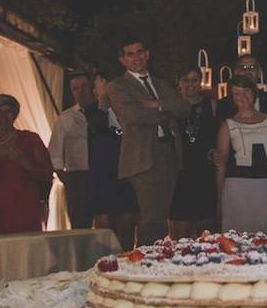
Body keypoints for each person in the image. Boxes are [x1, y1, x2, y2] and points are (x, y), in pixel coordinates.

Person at [107, 38, 190, 245]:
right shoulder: (118, 86)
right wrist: (166, 113)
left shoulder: (161, 84)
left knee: (161, 216)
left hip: (168, 154)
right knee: (151, 219)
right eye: (130, 54)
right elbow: (133, 116)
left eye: (140, 52)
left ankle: (157, 260)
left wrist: (157, 104)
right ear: (122, 60)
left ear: (147, 54)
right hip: (143, 158)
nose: (137, 57)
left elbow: (184, 108)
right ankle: (145, 264)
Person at [214, 75, 267, 233]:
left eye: (247, 91)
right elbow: (221, 164)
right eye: (237, 93)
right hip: (238, 190)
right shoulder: (228, 125)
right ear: (232, 98)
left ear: (254, 93)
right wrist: (220, 197)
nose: (243, 97)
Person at [0, 95, 54, 236]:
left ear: (15, 114)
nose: (3, 116)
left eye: (8, 111)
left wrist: (27, 164)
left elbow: (47, 174)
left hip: (23, 209)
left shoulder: (30, 140)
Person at [86, 75, 138, 251]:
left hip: (125, 174)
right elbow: (98, 127)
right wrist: (102, 101)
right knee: (104, 235)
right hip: (102, 177)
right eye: (100, 88)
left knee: (126, 231)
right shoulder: (92, 110)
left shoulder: (128, 109)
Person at [169, 67, 218, 239]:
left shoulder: (211, 105)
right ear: (179, 83)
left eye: (195, 79)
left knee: (206, 232)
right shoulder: (171, 107)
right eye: (186, 80)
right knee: (179, 232)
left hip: (204, 171)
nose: (190, 84)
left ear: (201, 82)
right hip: (179, 172)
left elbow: (217, 137)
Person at [47, 73, 97, 229]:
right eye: (76, 89)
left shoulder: (107, 113)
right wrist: (65, 178)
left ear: (92, 88)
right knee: (80, 222)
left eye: (84, 87)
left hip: (104, 173)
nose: (81, 92)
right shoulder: (66, 118)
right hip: (78, 176)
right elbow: (55, 151)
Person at [215, 55, 267, 123]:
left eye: (252, 67)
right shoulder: (224, 105)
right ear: (236, 72)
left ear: (259, 73)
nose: (247, 71)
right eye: (243, 68)